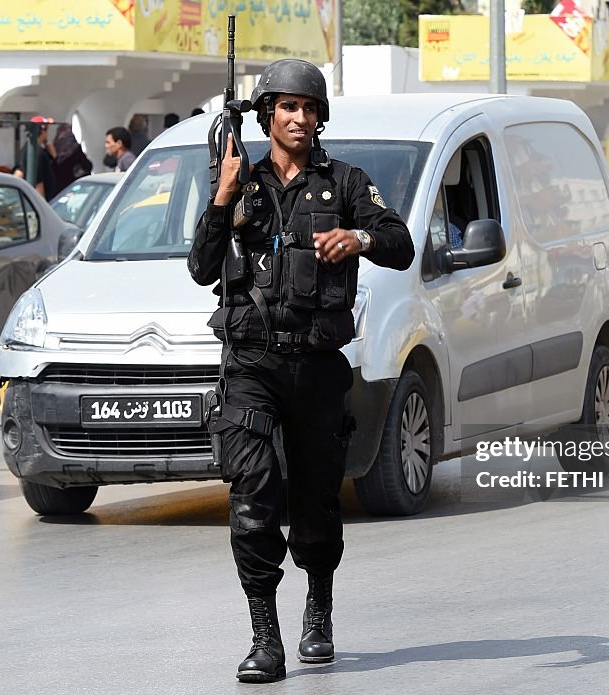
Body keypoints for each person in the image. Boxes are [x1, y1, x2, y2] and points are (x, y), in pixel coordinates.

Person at [188, 58, 414, 683]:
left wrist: (357, 239)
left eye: (311, 109)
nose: (300, 118)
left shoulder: (343, 183)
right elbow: (202, 268)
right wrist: (222, 197)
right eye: (289, 107)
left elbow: (400, 243)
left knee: (316, 502)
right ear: (267, 115)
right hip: (251, 365)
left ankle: (319, 605)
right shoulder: (238, 181)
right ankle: (266, 637)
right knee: (253, 498)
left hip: (316, 364)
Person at [14, 115, 57, 198]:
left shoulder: (33, 148)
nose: (47, 132)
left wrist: (46, 140)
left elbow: (54, 155)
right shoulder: (36, 152)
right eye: (46, 129)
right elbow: (38, 183)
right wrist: (42, 206)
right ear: (42, 130)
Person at [50, 124, 93, 193]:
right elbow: (88, 166)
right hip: (73, 186)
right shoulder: (75, 148)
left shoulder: (53, 148)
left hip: (57, 188)